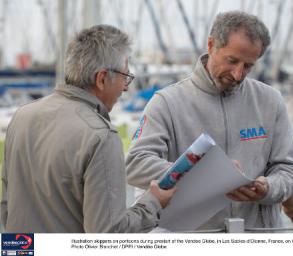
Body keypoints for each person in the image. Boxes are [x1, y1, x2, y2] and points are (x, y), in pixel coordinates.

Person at [126, 10, 293, 231]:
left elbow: (288, 169)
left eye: (248, 66)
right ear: (211, 45)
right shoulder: (166, 102)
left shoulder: (271, 100)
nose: (238, 74)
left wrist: (268, 188)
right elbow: (135, 164)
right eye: (232, 61)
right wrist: (204, 175)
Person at [1, 24, 175, 233]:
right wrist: (152, 203)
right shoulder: (101, 136)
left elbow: (7, 207)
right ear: (102, 79)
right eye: (125, 76)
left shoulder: (22, 117)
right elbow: (107, 233)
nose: (126, 86)